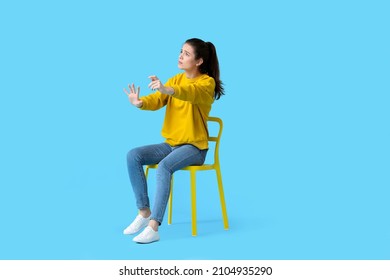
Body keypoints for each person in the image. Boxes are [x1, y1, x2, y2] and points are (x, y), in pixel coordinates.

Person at [122, 38, 224, 244]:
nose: (180, 56)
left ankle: (154, 226)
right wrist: (140, 102)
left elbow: (191, 93)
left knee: (164, 166)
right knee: (133, 155)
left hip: (195, 148)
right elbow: (159, 99)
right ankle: (143, 212)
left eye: (186, 53)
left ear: (199, 61)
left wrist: (169, 89)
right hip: (171, 144)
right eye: (181, 51)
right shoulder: (176, 79)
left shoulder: (206, 83)